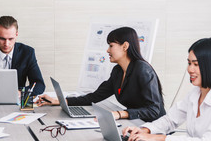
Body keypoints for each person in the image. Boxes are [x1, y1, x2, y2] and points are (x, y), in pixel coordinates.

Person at [123, 37, 211, 141]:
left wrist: (159, 138)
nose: (190, 69)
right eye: (189, 63)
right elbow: (170, 120)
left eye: (196, 64)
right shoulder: (195, 93)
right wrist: (144, 130)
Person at [37, 27, 165, 122]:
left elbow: (153, 110)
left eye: (111, 45)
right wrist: (58, 101)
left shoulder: (142, 70)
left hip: (154, 128)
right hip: (136, 124)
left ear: (125, 46)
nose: (107, 50)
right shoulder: (118, 71)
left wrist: (120, 114)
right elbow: (94, 97)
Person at [0, 16, 45, 96]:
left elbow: (39, 85)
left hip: (16, 101)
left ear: (16, 34)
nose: (6, 44)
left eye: (11, 39)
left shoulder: (27, 53)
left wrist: (20, 92)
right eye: (2, 39)